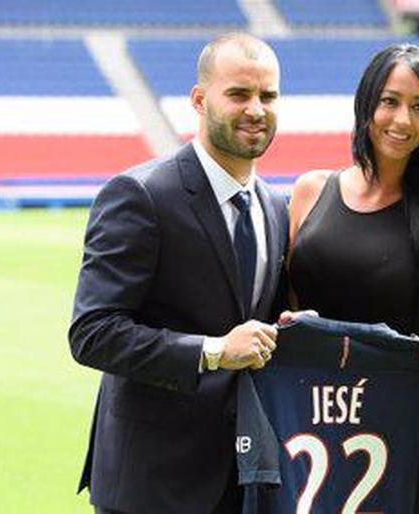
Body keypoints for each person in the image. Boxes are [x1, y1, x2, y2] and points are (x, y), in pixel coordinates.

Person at [69, 33, 290, 514]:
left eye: (268, 96)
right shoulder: (139, 194)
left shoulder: (276, 206)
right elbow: (92, 332)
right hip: (152, 485)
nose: (256, 109)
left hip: (243, 480)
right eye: (238, 94)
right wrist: (213, 352)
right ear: (199, 99)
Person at [287, 43, 419, 512]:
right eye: (390, 101)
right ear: (367, 104)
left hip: (402, 428)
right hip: (309, 422)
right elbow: (287, 307)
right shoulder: (309, 192)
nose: (402, 120)